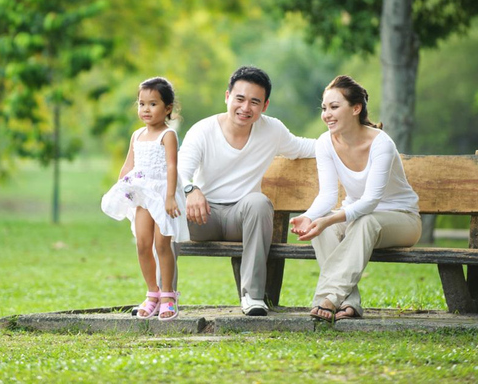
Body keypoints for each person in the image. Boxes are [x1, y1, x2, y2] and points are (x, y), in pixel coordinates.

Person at [178, 66, 316, 316]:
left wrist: (352, 136)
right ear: (227, 96)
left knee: (258, 202)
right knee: (159, 210)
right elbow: (179, 171)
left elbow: (305, 147)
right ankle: (162, 296)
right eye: (240, 98)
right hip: (202, 217)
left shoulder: (272, 130)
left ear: (264, 106)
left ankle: (252, 297)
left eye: (255, 102)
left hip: (241, 219)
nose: (245, 108)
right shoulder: (203, 130)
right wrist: (191, 189)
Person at [290, 75, 421, 322]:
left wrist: (328, 220)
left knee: (364, 221)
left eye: (334, 107)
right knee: (321, 227)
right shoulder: (325, 143)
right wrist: (309, 217)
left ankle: (327, 298)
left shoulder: (381, 143)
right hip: (358, 217)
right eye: (324, 108)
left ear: (356, 108)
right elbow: (328, 195)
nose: (326, 114)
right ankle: (348, 303)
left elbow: (371, 201)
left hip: (402, 220)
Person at [101, 77, 189, 321]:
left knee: (163, 245)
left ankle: (168, 295)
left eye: (153, 104)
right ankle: (152, 292)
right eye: (142, 104)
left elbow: (172, 167)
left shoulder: (168, 135)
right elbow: (129, 165)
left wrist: (170, 197)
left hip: (162, 196)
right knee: (142, 244)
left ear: (168, 108)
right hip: (141, 196)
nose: (146, 109)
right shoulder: (137, 135)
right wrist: (120, 190)